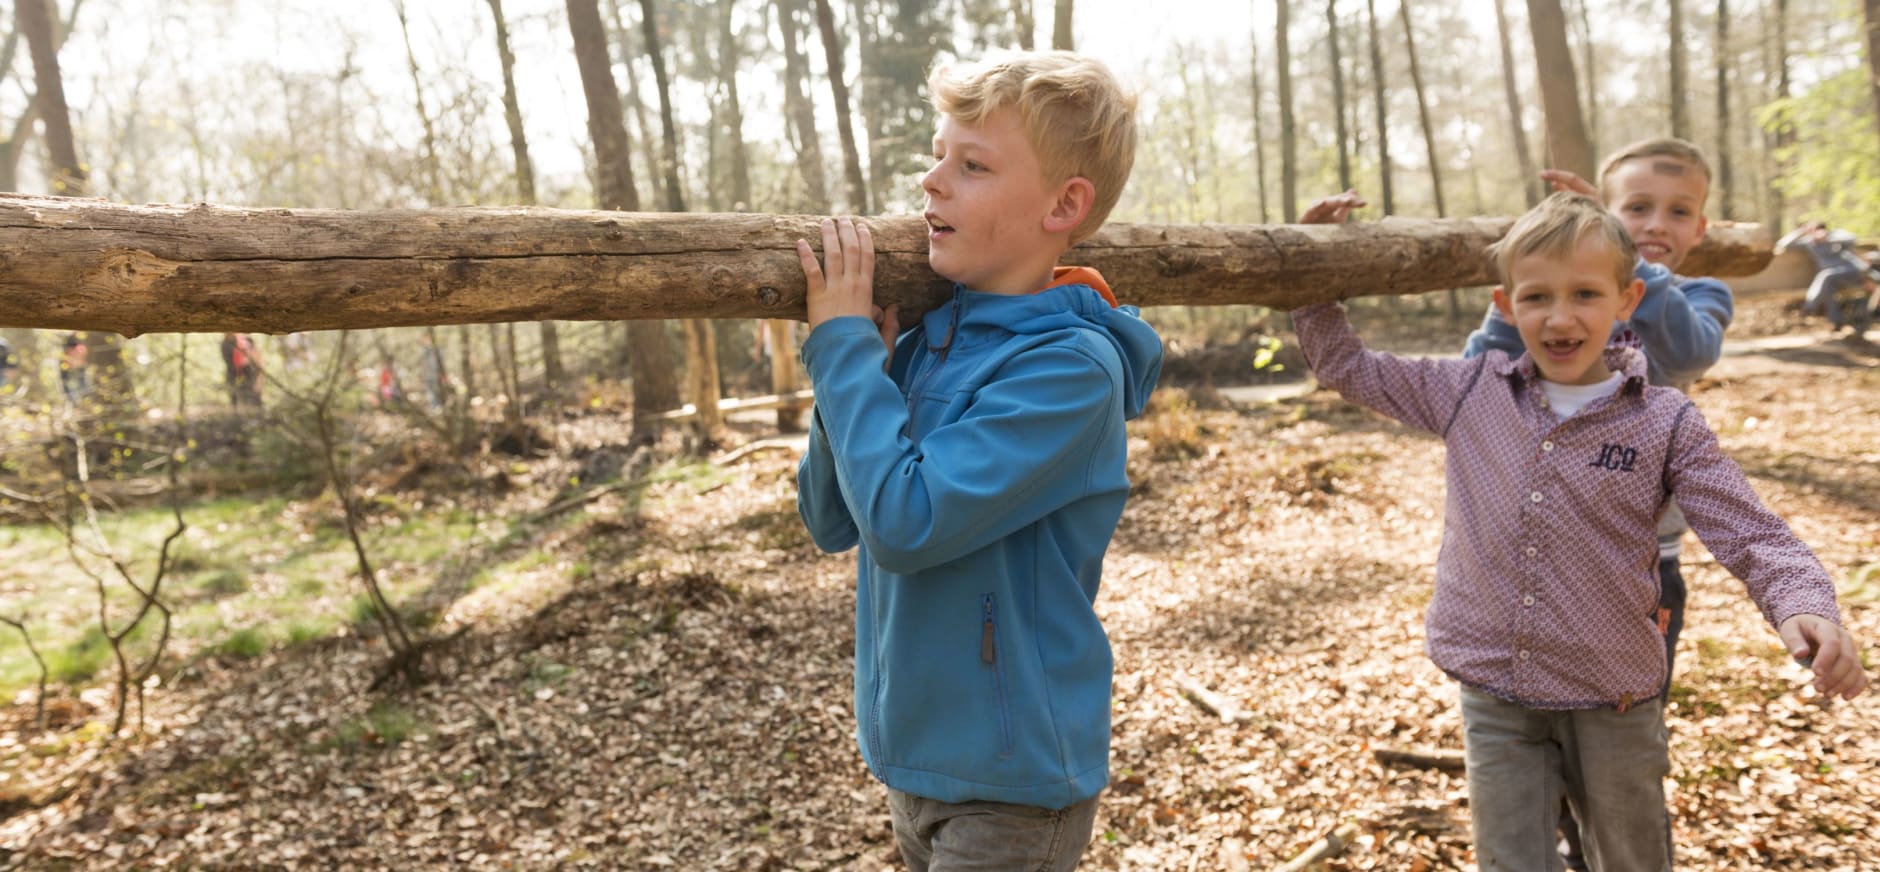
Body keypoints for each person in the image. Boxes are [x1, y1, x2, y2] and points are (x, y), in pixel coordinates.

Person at [1292, 191, 1867, 870]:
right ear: (1506, 307)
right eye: (1537, 297)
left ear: (1627, 300)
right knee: (1512, 860)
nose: (1560, 318)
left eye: (1586, 294)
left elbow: (1749, 530)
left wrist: (1805, 604)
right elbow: (1348, 368)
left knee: (1628, 857)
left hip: (1612, 698)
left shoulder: (1664, 422)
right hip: (1496, 693)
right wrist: (1314, 270)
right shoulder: (1468, 391)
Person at [793, 51, 1162, 871]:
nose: (932, 182)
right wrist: (854, 372)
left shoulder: (1070, 370)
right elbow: (829, 518)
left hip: (1012, 785)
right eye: (935, 155)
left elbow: (906, 525)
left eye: (972, 165)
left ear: (1064, 205)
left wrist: (845, 350)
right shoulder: (933, 343)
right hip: (916, 763)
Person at [1453, 138, 1734, 867]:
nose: (1656, 224)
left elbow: (1692, 351)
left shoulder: (1695, 297)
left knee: (1616, 749)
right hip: (1537, 560)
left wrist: (1626, 258)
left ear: (1702, 226)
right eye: (1635, 208)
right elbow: (1479, 375)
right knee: (1532, 742)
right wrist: (1544, 277)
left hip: (1640, 565)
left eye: (1678, 211)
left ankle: (1601, 845)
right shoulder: (1560, 297)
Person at [1775, 220, 1876, 333]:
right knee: (1828, 289)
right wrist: (1801, 231)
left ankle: (1809, 307)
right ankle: (1837, 322)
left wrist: (1827, 238)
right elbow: (1783, 244)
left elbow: (1853, 238)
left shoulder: (1836, 236)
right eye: (1811, 231)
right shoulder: (1809, 242)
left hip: (1851, 273)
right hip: (1832, 279)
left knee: (1826, 275)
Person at [59, 333, 89, 403]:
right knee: (79, 382)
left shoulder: (77, 348)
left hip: (77, 367)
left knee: (80, 382)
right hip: (75, 367)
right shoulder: (80, 348)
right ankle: (73, 399)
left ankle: (80, 398)